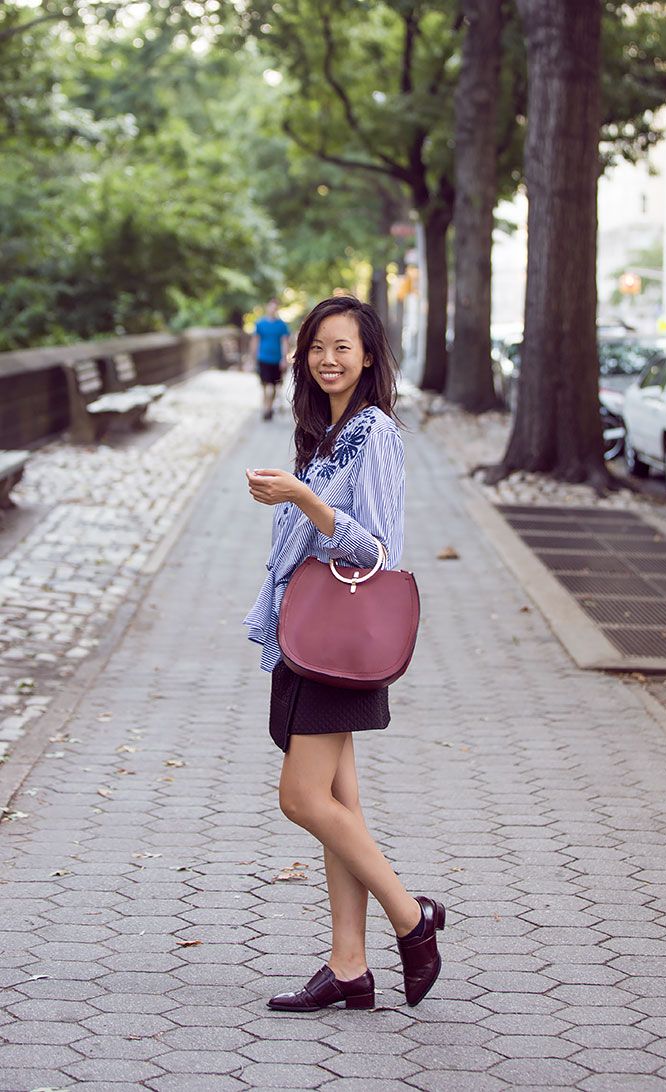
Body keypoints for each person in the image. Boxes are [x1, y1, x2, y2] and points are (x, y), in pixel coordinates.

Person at [244, 295, 445, 1011]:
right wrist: (302, 488)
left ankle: (411, 918)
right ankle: (349, 968)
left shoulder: (376, 433)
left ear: (369, 357)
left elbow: (380, 549)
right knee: (339, 806)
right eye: (319, 347)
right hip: (310, 635)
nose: (330, 359)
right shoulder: (326, 433)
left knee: (302, 798)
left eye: (344, 348)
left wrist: (303, 498)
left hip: (340, 637)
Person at [250, 298, 290, 420]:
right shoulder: (260, 324)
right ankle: (266, 408)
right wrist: (252, 359)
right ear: (267, 307)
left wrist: (284, 359)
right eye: (271, 306)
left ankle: (268, 408)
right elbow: (255, 341)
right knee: (265, 386)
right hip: (263, 358)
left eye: (275, 307)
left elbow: (285, 342)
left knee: (272, 386)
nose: (273, 309)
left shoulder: (282, 325)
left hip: (276, 360)